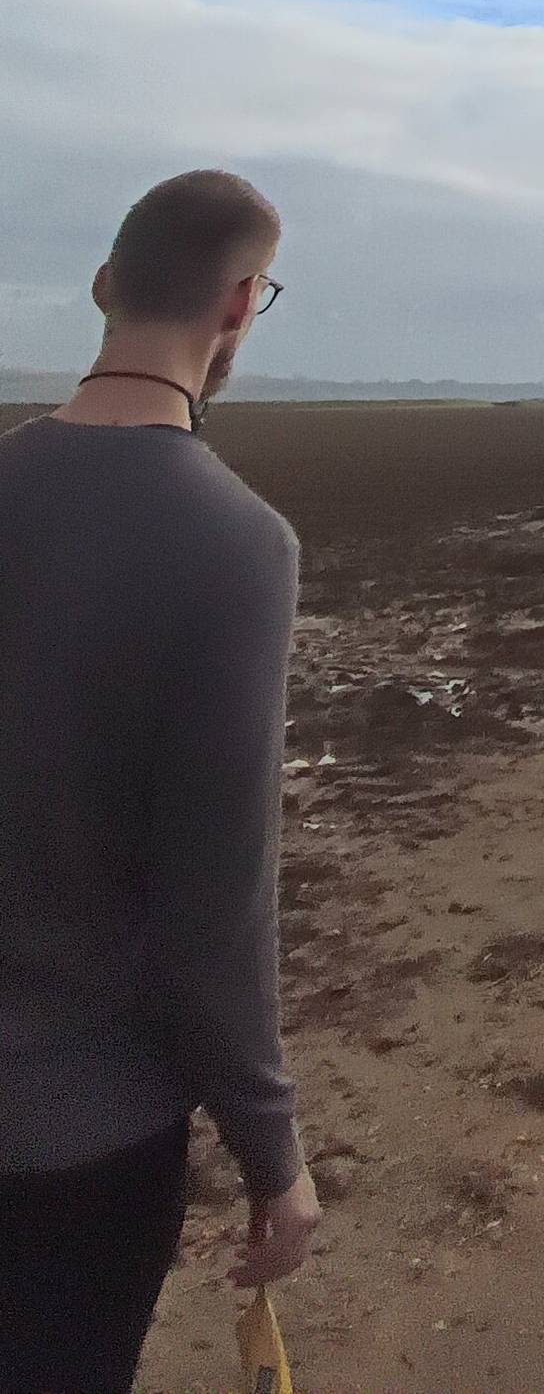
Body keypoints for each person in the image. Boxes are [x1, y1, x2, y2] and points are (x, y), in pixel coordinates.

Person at [0, 169, 321, 1394]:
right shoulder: (237, 543)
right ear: (240, 306)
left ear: (101, 288)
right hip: (83, 1138)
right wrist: (272, 1152)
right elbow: (213, 910)